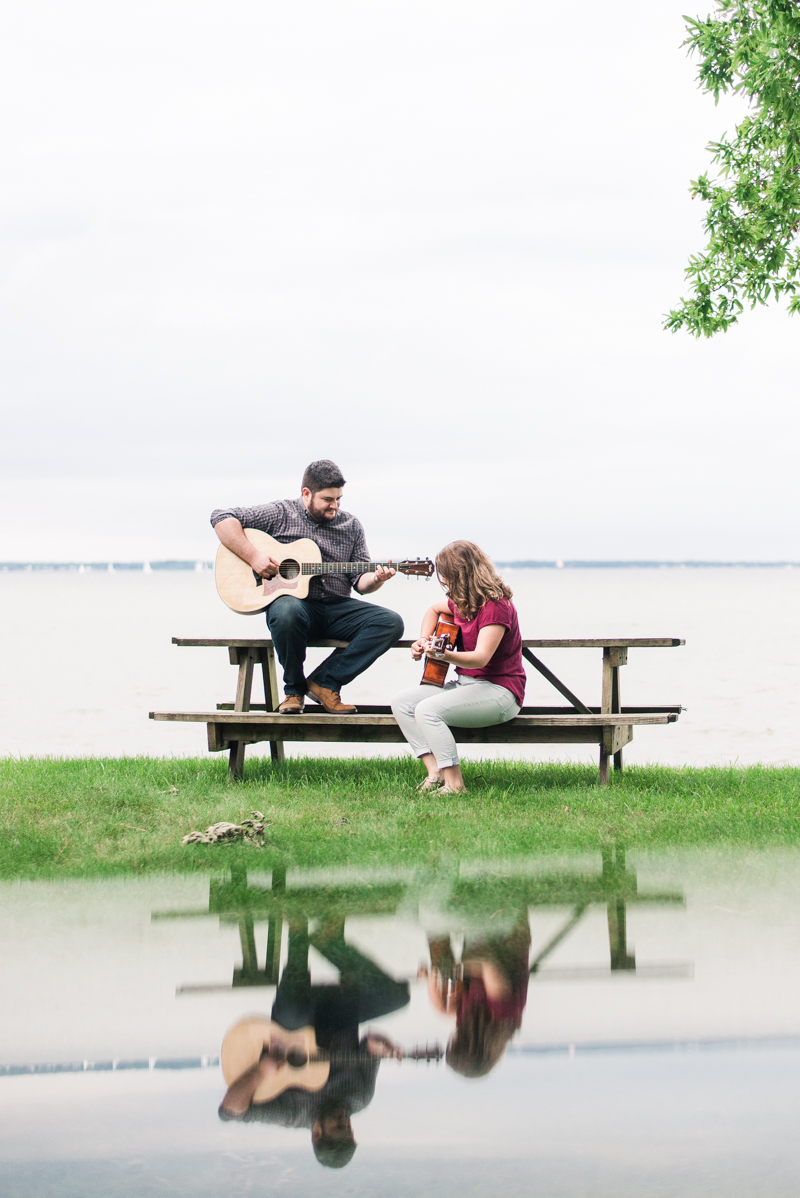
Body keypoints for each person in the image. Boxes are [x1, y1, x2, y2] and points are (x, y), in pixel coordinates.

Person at [211, 460, 403, 714]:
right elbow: (221, 518)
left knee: (391, 622)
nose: (335, 506)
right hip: (295, 608)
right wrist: (254, 557)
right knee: (286, 610)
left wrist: (376, 579)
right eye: (328, 499)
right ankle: (293, 692)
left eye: (339, 499)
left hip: (337, 608)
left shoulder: (351, 526)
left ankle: (325, 683)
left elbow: (360, 583)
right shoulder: (281, 513)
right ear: (306, 494)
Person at [219, 918, 410, 1169]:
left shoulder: (291, 1114)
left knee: (292, 1014)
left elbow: (230, 1111)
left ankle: (298, 932)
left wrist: (262, 1070)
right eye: (349, 1127)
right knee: (397, 998)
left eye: (338, 1126)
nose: (345, 1120)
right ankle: (329, 942)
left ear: (317, 1133)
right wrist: (383, 1045)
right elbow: (370, 1044)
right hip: (341, 1012)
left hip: (297, 1021)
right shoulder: (360, 1098)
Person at [391, 540, 525, 794]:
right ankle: (435, 771)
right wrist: (422, 639)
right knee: (403, 702)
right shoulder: (463, 601)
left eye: (448, 577)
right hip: (467, 685)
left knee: (428, 710)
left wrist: (443, 654)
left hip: (501, 692)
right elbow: (433, 609)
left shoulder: (496, 606)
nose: (445, 583)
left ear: (461, 574)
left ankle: (455, 785)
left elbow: (481, 658)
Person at [419, 915, 531, 1079]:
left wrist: (434, 987)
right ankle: (433, 910)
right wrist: (451, 969)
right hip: (505, 935)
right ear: (471, 1044)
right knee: (443, 955)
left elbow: (449, 1008)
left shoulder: (472, 1023)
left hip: (480, 942)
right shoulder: (503, 1014)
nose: (453, 1038)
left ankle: (431, 910)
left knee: (435, 937)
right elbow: (487, 966)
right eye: (456, 1044)